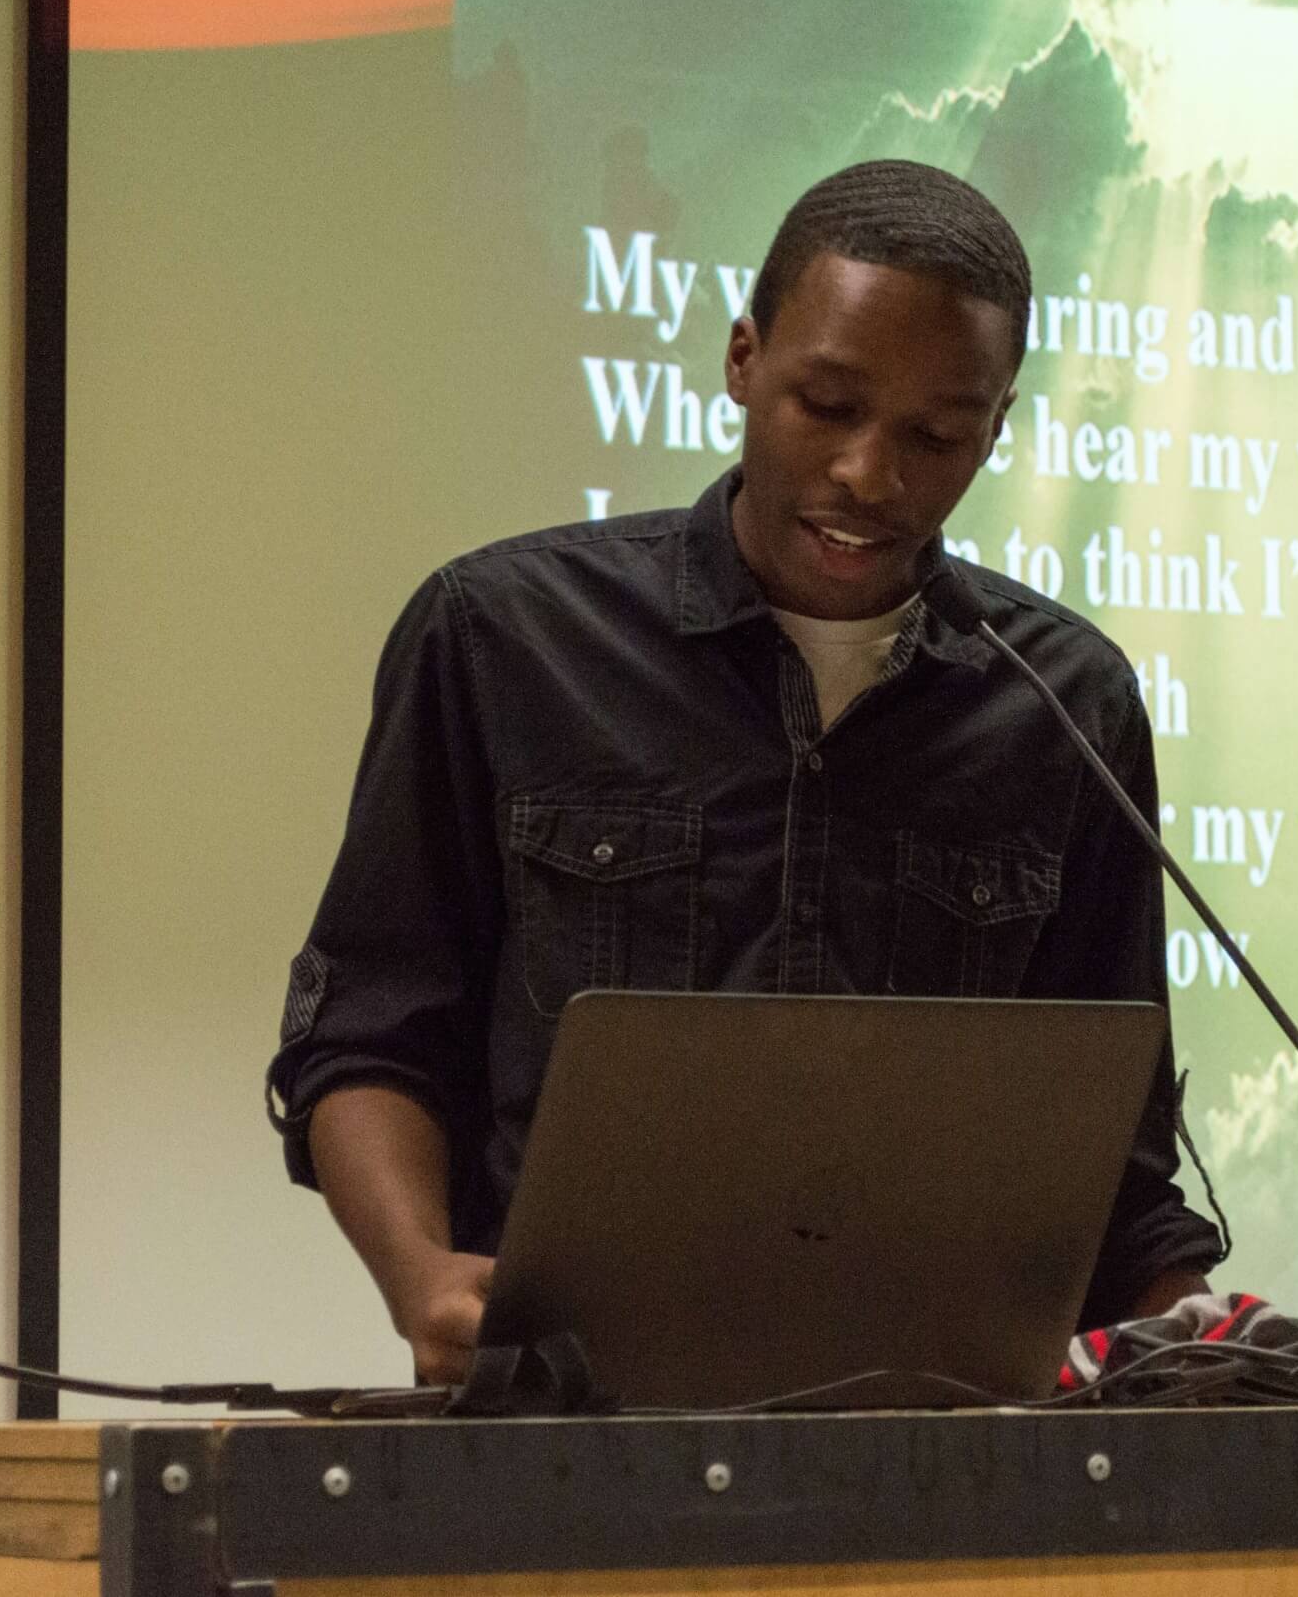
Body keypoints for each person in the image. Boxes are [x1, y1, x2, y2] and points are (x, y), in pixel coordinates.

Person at [265, 160, 1220, 1386]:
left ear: (996, 429)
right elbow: (369, 1038)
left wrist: (1223, 1348)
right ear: (741, 359)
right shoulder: (501, 637)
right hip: (569, 1434)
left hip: (941, 1448)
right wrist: (421, 1275)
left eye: (936, 435)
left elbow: (1110, 1169)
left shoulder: (1066, 704)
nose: (870, 474)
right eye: (827, 405)